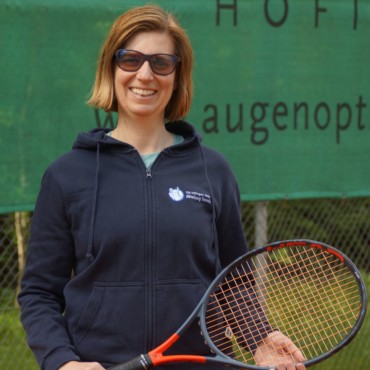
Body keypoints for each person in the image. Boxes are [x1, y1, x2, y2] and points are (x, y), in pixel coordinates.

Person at [18, 5, 306, 370]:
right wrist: (62, 361)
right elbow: (39, 293)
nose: (145, 74)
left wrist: (259, 338)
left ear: (176, 74)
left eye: (160, 63)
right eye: (131, 59)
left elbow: (235, 280)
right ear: (111, 67)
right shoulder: (65, 176)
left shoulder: (213, 170)